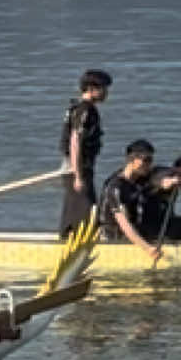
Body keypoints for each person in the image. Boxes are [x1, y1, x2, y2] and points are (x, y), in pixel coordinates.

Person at [58, 69, 113, 238]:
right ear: (91, 88)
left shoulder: (78, 108)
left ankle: (69, 239)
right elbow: (75, 141)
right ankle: (74, 247)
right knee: (86, 213)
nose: (106, 93)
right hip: (77, 168)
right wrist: (78, 175)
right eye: (103, 88)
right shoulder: (85, 110)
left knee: (75, 210)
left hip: (78, 168)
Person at [97, 140, 163, 264]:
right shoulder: (115, 186)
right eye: (146, 160)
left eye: (151, 160)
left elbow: (162, 171)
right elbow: (124, 224)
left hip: (135, 228)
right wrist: (147, 248)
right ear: (133, 160)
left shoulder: (140, 178)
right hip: (114, 236)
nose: (149, 165)